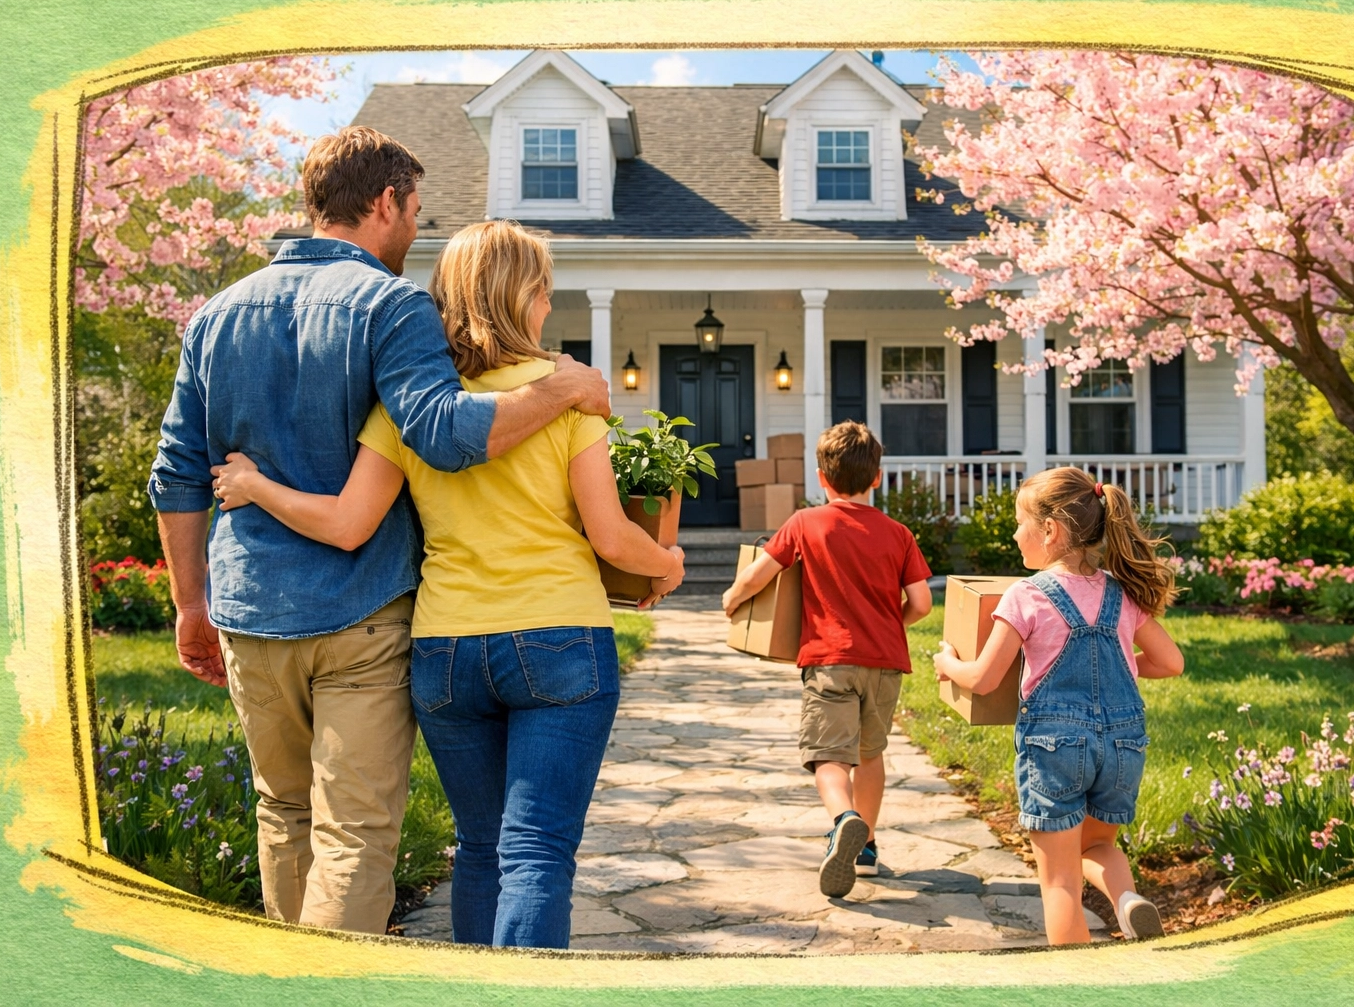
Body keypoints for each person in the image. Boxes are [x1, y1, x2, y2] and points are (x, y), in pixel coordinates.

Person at [147, 126, 612, 936]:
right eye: (415, 213)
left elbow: (177, 475)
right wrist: (564, 391)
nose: (415, 234)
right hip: (360, 610)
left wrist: (191, 604)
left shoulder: (214, 315)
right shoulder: (393, 305)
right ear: (384, 201)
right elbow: (440, 431)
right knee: (353, 832)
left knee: (282, 812)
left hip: (249, 612)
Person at [211, 219, 685, 948]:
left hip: (445, 652)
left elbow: (345, 523)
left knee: (483, 848)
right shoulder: (566, 394)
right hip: (559, 642)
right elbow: (611, 536)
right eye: (543, 293)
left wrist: (255, 484)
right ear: (518, 296)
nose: (548, 310)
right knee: (536, 854)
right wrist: (668, 564)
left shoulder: (409, 407)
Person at [932, 467, 1185, 944]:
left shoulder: (1025, 596)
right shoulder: (1121, 593)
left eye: (1019, 522)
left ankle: (1076, 986)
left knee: (1060, 880)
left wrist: (948, 664)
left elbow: (984, 679)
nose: (1014, 532)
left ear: (1048, 531)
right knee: (1098, 847)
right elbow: (1170, 662)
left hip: (1055, 748)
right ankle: (1126, 900)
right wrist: (1123, 665)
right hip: (1123, 746)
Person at [721, 422, 932, 898]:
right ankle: (868, 847)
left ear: (822, 478)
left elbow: (761, 573)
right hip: (885, 663)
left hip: (830, 660)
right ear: (877, 478)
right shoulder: (899, 534)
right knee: (870, 753)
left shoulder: (805, 523)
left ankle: (844, 819)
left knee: (827, 758)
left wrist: (732, 598)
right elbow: (921, 604)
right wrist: (891, 623)